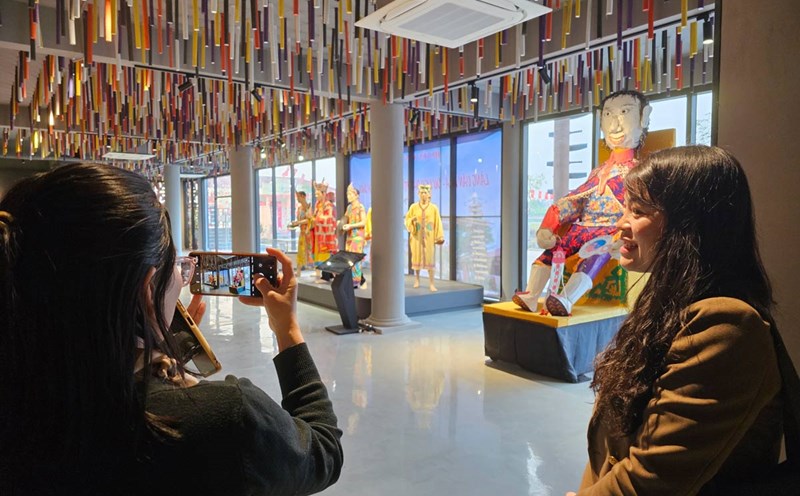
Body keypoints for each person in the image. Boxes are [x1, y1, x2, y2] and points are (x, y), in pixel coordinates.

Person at [0, 163, 344, 495]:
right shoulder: (227, 420)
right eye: (178, 266)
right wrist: (288, 329)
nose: (183, 277)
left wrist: (155, 341)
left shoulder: (23, 402)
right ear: (149, 289)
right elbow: (323, 452)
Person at [569, 146, 782, 495]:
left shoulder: (725, 325)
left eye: (637, 210)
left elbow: (653, 477)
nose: (621, 224)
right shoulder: (668, 301)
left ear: (690, 224)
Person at [514, 90, 652, 315]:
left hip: (612, 231)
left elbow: (643, 210)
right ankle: (532, 294)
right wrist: (549, 225)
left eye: (625, 112)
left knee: (597, 253)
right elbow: (575, 200)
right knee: (554, 249)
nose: (615, 125)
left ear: (643, 117)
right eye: (608, 115)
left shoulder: (640, 173)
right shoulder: (598, 172)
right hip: (582, 227)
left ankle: (567, 299)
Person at [405, 184, 445, 291]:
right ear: (418, 194)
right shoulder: (413, 207)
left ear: (429, 195)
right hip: (416, 237)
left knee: (430, 258)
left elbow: (438, 222)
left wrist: (439, 236)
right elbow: (407, 220)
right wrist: (411, 221)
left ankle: (432, 283)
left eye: (425, 193)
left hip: (429, 238)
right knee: (416, 257)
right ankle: (417, 279)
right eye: (421, 193)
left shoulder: (433, 208)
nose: (423, 195)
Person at [310, 180, 338, 282]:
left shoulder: (328, 205)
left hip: (326, 236)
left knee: (326, 255)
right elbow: (314, 216)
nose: (316, 196)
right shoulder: (318, 205)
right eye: (315, 194)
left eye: (318, 194)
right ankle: (328, 274)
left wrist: (316, 219)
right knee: (320, 255)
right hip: (318, 234)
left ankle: (326, 276)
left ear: (323, 193)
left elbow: (329, 219)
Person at [341, 184, 368, 288]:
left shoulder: (360, 207)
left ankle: (357, 281)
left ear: (356, 195)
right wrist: (341, 223)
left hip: (357, 236)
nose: (348, 196)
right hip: (350, 236)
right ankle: (355, 280)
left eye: (350, 194)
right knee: (350, 259)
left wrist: (351, 226)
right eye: (348, 194)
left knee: (355, 259)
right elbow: (345, 218)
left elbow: (363, 222)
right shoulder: (349, 208)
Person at [288, 190, 312, 273]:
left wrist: (298, 222)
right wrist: (294, 224)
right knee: (301, 251)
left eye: (298, 197)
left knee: (311, 251)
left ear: (303, 196)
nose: (297, 198)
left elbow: (310, 220)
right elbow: (299, 221)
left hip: (309, 232)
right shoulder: (299, 208)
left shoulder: (309, 207)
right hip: (302, 232)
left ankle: (317, 271)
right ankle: (298, 271)